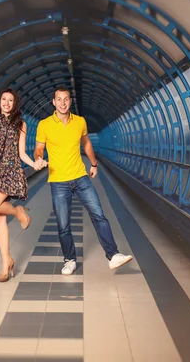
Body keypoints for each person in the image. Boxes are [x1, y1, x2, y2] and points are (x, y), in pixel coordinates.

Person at [34, 86, 133, 275]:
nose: (63, 103)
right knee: (63, 225)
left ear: (70, 101)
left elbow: (86, 142)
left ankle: (113, 255)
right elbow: (39, 148)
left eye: (66, 99)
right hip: (58, 181)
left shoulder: (79, 121)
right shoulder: (44, 124)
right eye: (59, 99)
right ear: (53, 102)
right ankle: (69, 260)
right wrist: (39, 158)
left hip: (80, 177)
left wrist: (94, 164)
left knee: (99, 215)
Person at [0, 89, 47, 283]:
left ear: (15, 103)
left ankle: (18, 212)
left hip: (11, 171)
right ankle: (6, 263)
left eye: (10, 100)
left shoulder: (21, 124)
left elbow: (21, 152)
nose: (6, 103)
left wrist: (34, 164)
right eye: (3, 99)